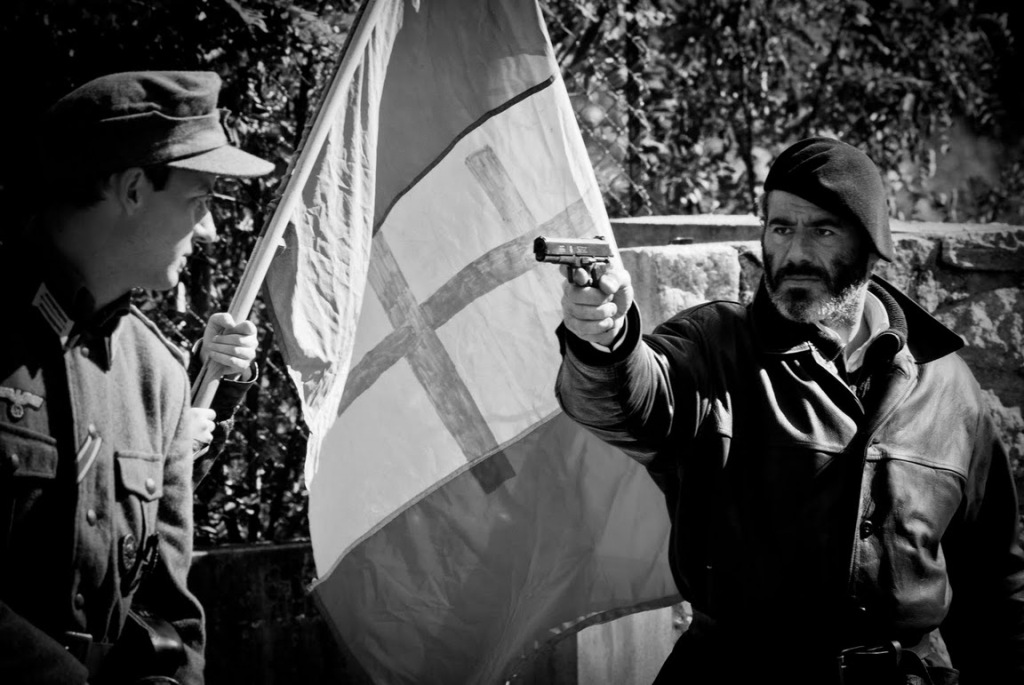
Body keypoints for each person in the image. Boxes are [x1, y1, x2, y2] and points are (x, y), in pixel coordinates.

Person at [554, 137, 1024, 684]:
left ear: (870, 246)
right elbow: (627, 403)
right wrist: (603, 343)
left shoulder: (948, 387)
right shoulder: (713, 347)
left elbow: (996, 584)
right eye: (781, 228)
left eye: (822, 230)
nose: (796, 252)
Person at [0, 71, 274, 685]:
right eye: (199, 202)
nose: (209, 231)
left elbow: (169, 608)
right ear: (131, 189)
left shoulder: (161, 377)